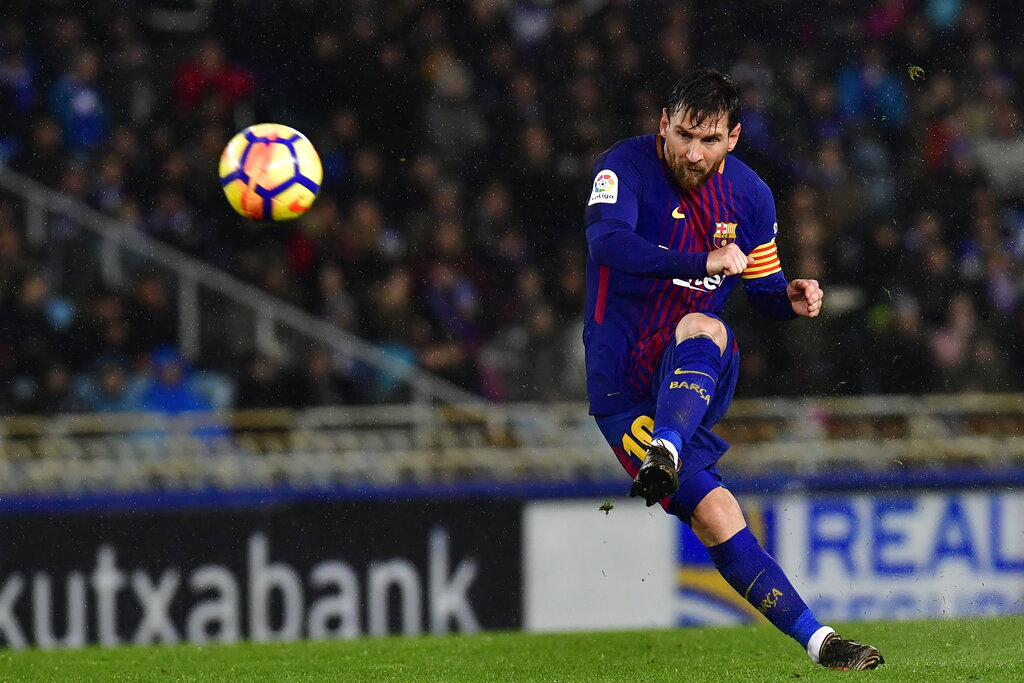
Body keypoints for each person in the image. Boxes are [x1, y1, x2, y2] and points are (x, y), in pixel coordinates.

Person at [583, 68, 883, 670]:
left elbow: (763, 287)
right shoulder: (624, 167)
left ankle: (665, 449)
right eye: (683, 135)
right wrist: (700, 257)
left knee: (706, 325)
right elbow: (607, 244)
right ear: (663, 124)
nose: (692, 153)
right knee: (720, 514)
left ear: (734, 138)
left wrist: (789, 299)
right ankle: (821, 642)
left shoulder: (751, 198)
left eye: (709, 140)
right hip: (621, 385)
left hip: (690, 368)